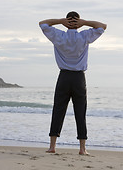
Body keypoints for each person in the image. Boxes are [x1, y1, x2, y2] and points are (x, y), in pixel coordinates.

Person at [39, 11, 107, 155]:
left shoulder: (58, 35)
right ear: (78, 21)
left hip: (63, 76)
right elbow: (102, 26)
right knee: (80, 112)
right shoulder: (84, 35)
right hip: (78, 78)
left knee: (58, 110)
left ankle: (52, 146)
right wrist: (85, 23)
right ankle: (82, 149)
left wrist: (59, 21)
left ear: (66, 21)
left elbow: (42, 23)